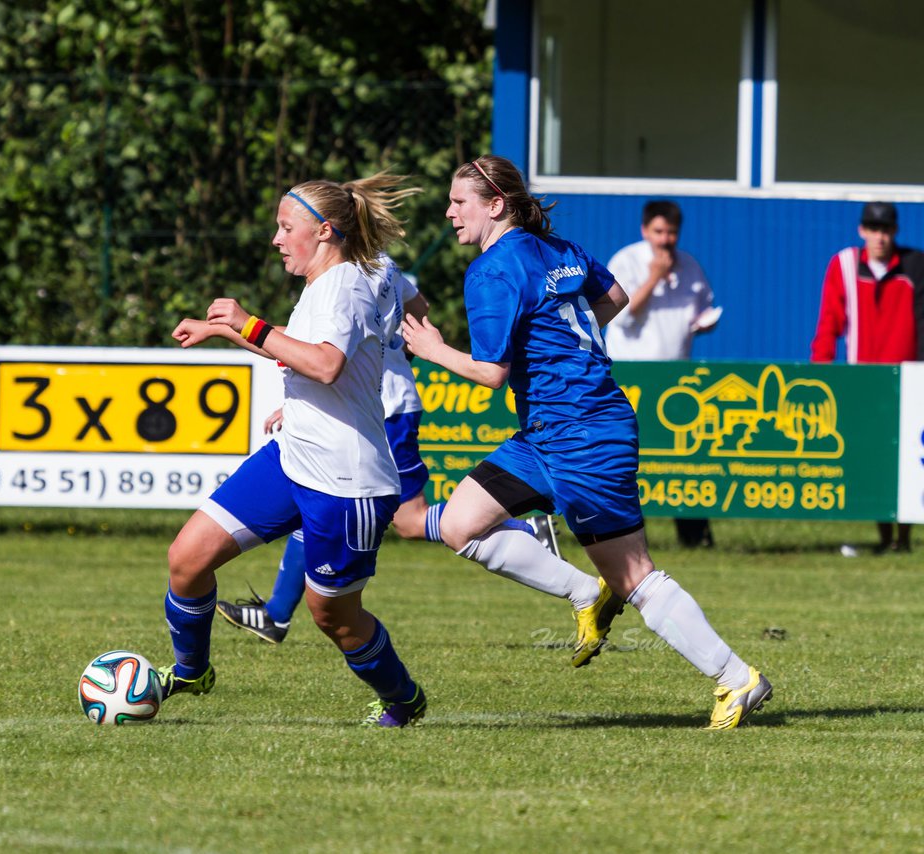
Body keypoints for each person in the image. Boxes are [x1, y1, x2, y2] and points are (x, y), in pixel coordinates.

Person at [401, 155, 772, 730]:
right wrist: (561, 345)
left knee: (636, 576)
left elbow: (490, 372)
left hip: (582, 436)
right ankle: (586, 594)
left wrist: (431, 349)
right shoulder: (561, 249)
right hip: (550, 433)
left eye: (459, 201)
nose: (449, 212)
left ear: (495, 205)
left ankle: (736, 678)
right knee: (458, 524)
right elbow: (617, 296)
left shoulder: (492, 270)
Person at [163, 173, 429, 727]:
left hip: (346, 483)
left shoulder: (348, 285)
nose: (276, 239)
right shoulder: (325, 281)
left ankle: (403, 698)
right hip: (293, 457)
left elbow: (326, 363)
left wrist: (248, 322)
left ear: (325, 231)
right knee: (187, 559)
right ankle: (192, 671)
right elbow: (304, 353)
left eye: (287, 228)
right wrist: (226, 333)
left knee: (333, 615)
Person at [216, 256, 560, 644]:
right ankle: (276, 614)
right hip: (378, 401)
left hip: (380, 408)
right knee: (314, 503)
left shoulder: (350, 274)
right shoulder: (384, 265)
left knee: (408, 521)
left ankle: (524, 528)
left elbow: (331, 355)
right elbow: (420, 309)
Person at [606, 200, 718, 548]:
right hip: (631, 376)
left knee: (683, 456)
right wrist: (654, 276)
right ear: (645, 231)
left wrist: (703, 323)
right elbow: (620, 315)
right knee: (626, 457)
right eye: (658, 232)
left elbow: (701, 309)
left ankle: (695, 537)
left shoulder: (690, 266)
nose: (665, 239)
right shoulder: (626, 261)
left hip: (676, 379)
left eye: (671, 232)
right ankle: (623, 533)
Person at [811, 201, 917, 554]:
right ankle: (886, 538)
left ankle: (904, 539)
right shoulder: (843, 265)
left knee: (907, 460)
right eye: (873, 229)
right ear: (862, 230)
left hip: (909, 379)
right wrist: (820, 375)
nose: (880, 237)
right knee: (876, 462)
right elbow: (829, 322)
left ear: (895, 232)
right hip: (864, 380)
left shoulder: (915, 266)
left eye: (886, 230)